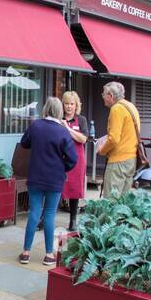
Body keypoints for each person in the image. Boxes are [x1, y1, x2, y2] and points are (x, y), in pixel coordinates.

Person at [19, 97, 78, 267]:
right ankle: (49, 255)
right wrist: (62, 168)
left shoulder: (36, 126)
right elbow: (73, 159)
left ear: (45, 109)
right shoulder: (63, 131)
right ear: (59, 111)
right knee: (50, 214)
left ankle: (26, 253)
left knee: (34, 212)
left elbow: (24, 143)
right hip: (54, 178)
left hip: (35, 176)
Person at [96, 81, 140, 197]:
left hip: (118, 161)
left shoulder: (116, 109)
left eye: (104, 94)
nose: (103, 97)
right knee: (123, 201)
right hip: (131, 159)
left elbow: (114, 139)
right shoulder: (131, 106)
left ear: (110, 96)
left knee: (111, 201)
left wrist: (102, 150)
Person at [60, 91, 89, 230]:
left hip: (77, 159)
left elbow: (83, 139)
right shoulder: (59, 118)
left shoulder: (81, 120)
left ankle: (72, 220)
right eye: (66, 104)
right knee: (55, 187)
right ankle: (44, 218)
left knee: (74, 189)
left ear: (76, 105)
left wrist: (67, 128)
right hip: (60, 158)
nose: (69, 107)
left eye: (72, 104)